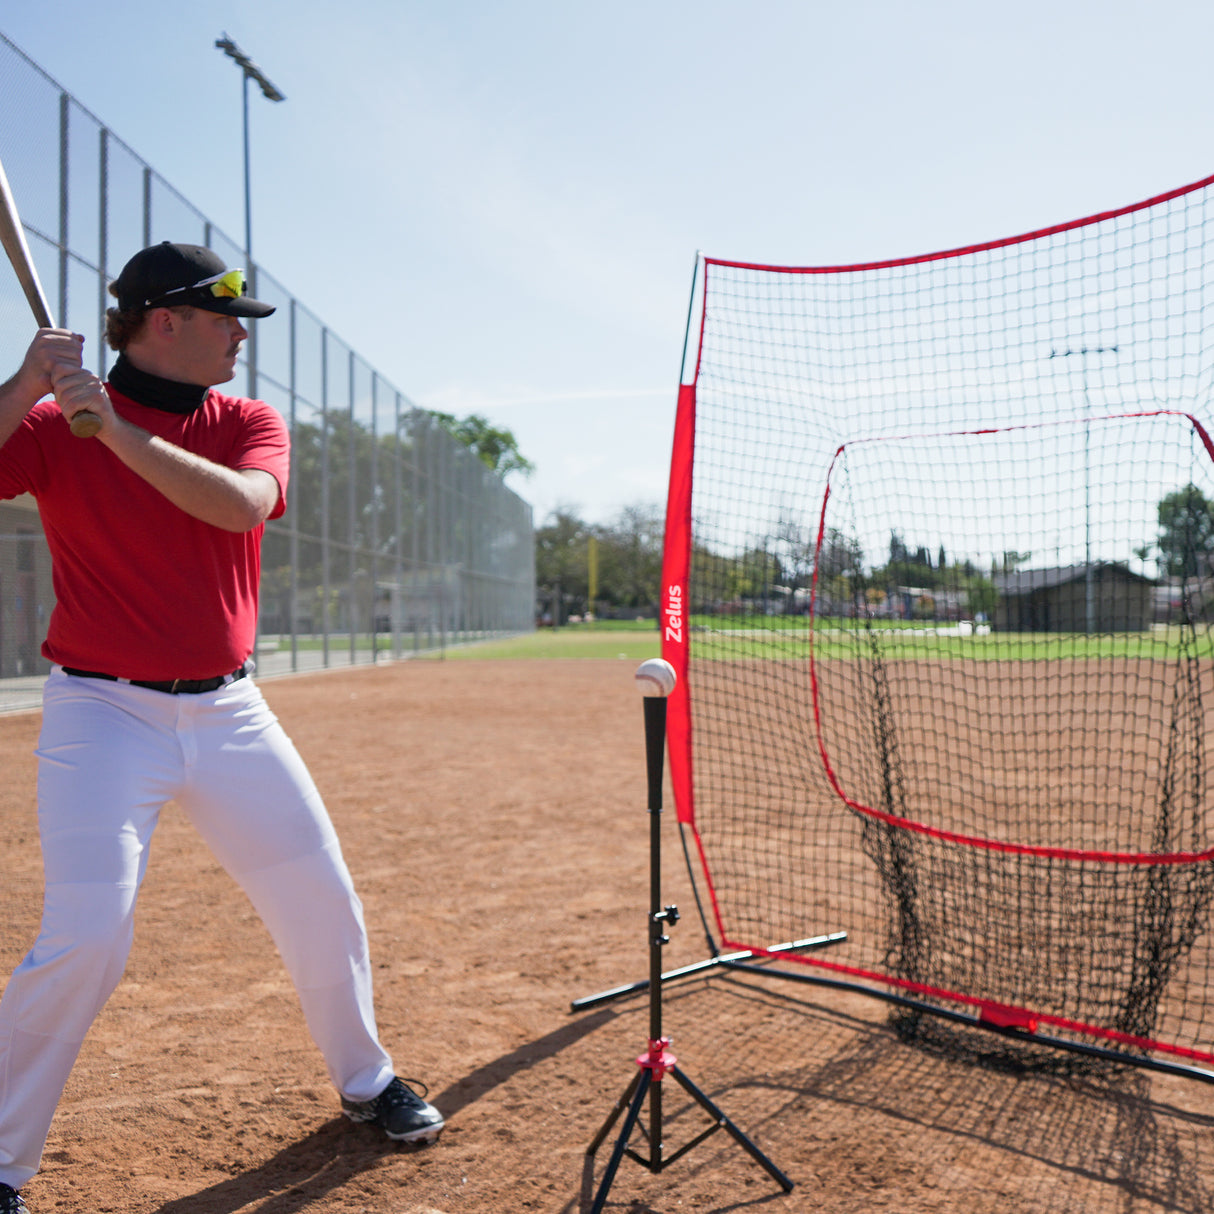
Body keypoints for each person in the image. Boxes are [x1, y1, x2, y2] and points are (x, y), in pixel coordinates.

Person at [0, 242, 442, 1214]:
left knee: (321, 899)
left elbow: (238, 505)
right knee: (87, 935)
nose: (242, 338)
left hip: (231, 710)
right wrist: (25, 381)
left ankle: (366, 1081)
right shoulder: (47, 419)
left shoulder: (242, 420)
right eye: (225, 317)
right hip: (101, 712)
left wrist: (110, 429)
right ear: (166, 320)